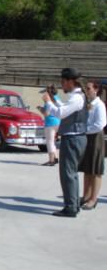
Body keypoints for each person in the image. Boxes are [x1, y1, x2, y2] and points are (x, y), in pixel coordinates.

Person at [43, 68, 88, 217]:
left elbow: (61, 113)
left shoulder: (77, 97)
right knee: (71, 174)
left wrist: (49, 103)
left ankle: (71, 207)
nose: (62, 85)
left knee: (68, 174)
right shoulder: (77, 96)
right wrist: (53, 101)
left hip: (73, 138)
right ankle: (73, 205)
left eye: (63, 81)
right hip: (75, 137)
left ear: (70, 81)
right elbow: (62, 109)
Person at [79, 81, 107, 210]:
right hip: (87, 137)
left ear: (96, 90)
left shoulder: (99, 105)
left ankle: (93, 199)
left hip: (95, 138)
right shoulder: (87, 104)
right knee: (87, 169)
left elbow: (100, 124)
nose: (87, 90)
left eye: (89, 88)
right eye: (86, 88)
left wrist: (85, 129)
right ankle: (85, 196)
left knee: (95, 170)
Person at [39, 85, 61, 166]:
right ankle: (55, 157)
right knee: (53, 141)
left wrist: (40, 109)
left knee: (50, 141)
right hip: (58, 121)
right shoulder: (57, 98)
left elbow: (46, 113)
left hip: (50, 123)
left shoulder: (48, 99)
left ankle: (51, 160)